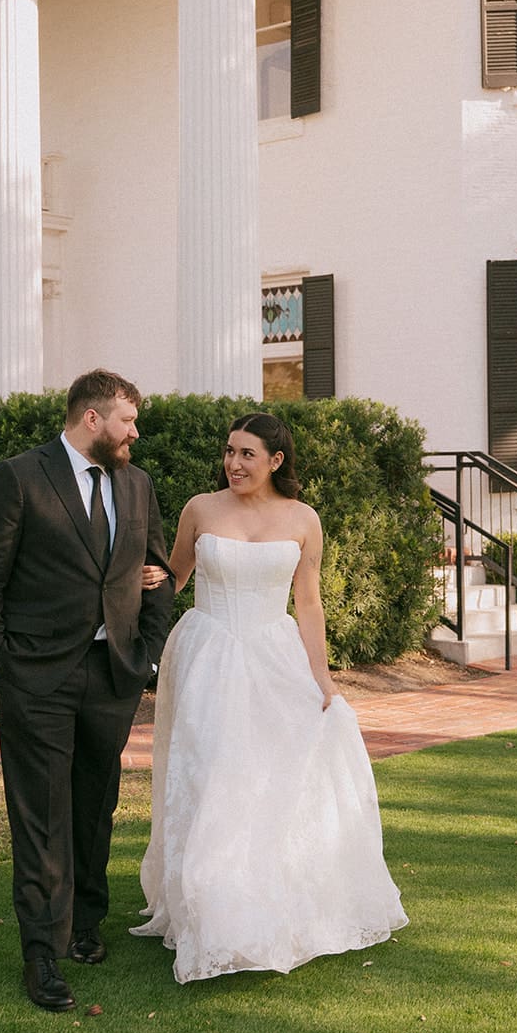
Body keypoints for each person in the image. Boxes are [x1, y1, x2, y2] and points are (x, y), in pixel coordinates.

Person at [131, 412, 407, 984]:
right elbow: (175, 576)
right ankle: (208, 911)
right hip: (208, 656)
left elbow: (308, 603)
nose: (233, 463)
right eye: (229, 452)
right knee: (212, 777)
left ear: (275, 461)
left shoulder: (304, 519)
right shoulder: (200, 509)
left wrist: (322, 678)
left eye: (247, 454)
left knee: (268, 780)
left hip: (274, 654)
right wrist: (146, 583)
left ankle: (265, 898)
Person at [0, 370, 175, 1011]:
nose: (135, 433)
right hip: (36, 676)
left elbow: (160, 572)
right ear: (92, 418)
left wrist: (149, 653)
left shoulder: (136, 485)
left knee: (94, 804)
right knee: (41, 815)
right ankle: (41, 955)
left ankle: (86, 925)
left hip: (112, 676)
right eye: (128, 421)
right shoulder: (22, 476)